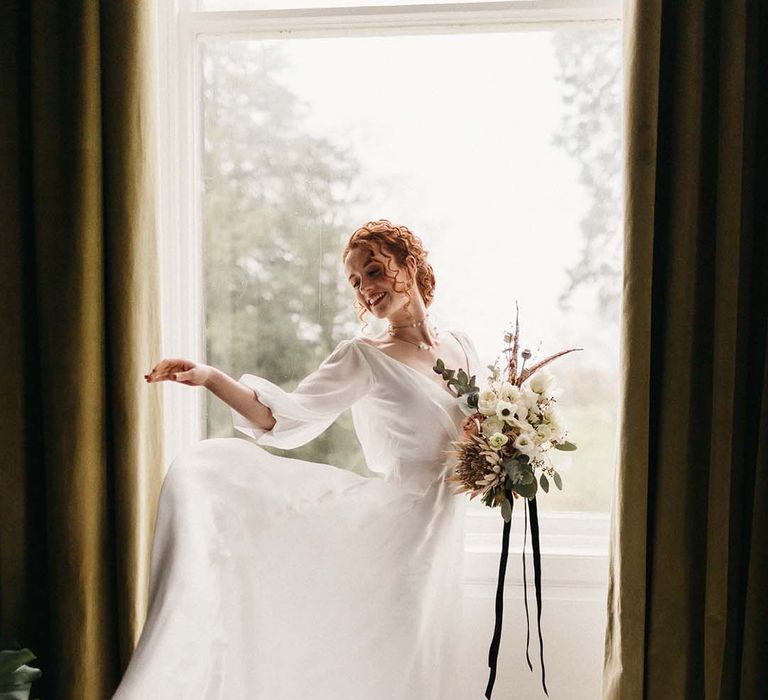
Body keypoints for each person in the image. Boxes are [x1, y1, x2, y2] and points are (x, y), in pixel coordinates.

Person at [112, 219, 483, 700]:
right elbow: (285, 419)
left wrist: (510, 449)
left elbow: (485, 432)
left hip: (447, 530)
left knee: (431, 661)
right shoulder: (364, 356)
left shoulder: (464, 348)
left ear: (409, 265)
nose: (366, 290)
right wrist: (209, 377)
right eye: (356, 282)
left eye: (373, 271)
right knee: (389, 662)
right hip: (399, 533)